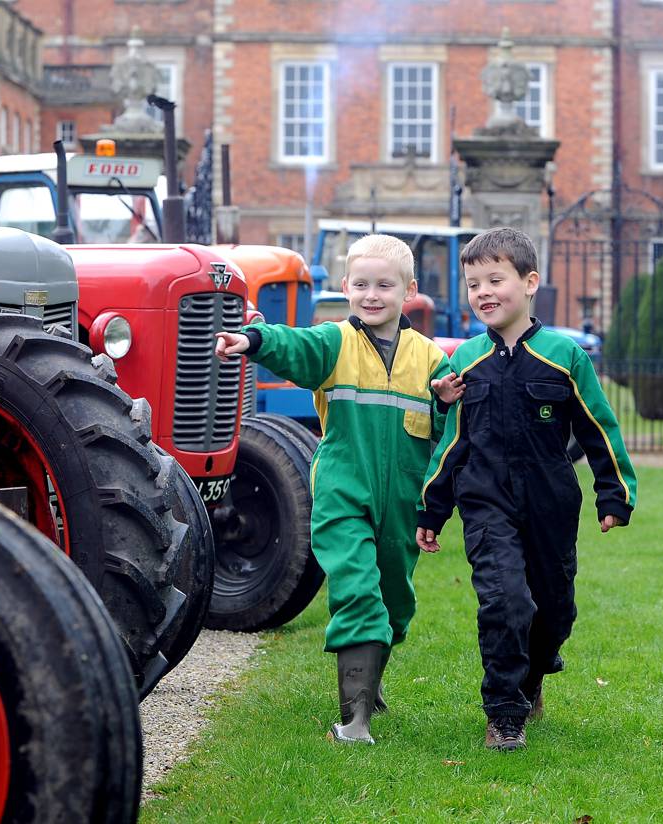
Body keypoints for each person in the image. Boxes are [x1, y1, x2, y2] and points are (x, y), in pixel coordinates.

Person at [215, 234, 463, 745]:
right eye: (362, 284)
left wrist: (442, 402)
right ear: (346, 286)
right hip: (343, 494)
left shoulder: (430, 359)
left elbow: (447, 427)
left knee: (394, 601)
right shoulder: (336, 344)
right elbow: (296, 347)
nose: (372, 295)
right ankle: (355, 720)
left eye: (385, 285)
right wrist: (256, 341)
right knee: (356, 590)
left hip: (401, 503)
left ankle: (370, 687)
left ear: (409, 291)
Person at [416, 227, 637, 751]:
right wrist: (432, 508)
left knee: (555, 609)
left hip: (550, 502)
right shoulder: (464, 360)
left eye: (496, 279)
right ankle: (504, 713)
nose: (483, 292)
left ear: (530, 282)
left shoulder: (565, 356)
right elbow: (451, 442)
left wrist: (615, 493)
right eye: (473, 284)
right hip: (485, 500)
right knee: (506, 602)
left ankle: (535, 674)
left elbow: (598, 428)